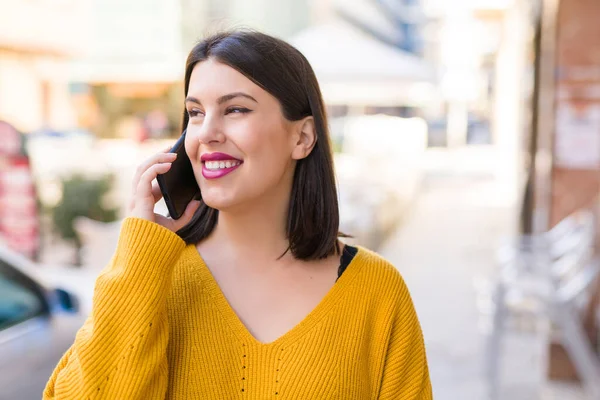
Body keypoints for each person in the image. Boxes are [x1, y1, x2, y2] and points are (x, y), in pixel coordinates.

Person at [44, 30, 432, 399]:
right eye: (195, 113)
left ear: (302, 137)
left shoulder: (378, 291)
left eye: (235, 109)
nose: (206, 133)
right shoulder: (149, 280)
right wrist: (140, 257)